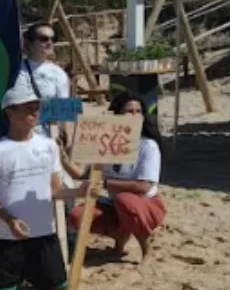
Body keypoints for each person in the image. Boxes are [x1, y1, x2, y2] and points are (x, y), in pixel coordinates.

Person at [0, 84, 88, 290]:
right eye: (28, 108)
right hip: (6, 234)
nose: (34, 113)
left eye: (36, 108)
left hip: (43, 233)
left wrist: (78, 191)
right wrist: (10, 220)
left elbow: (56, 190)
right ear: (10, 112)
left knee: (56, 284)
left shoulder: (48, 146)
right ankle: (0, 271)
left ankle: (25, 271)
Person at [62, 91, 166, 261]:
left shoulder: (148, 146)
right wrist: (64, 159)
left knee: (125, 200)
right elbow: (82, 174)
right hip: (114, 203)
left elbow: (143, 187)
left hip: (144, 204)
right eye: (128, 111)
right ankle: (119, 242)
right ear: (117, 115)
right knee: (76, 216)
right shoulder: (105, 140)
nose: (134, 115)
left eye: (138, 111)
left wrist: (105, 183)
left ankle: (145, 247)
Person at [14, 23, 71, 137]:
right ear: (29, 43)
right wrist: (48, 109)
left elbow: (64, 112)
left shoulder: (59, 74)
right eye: (43, 39)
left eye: (53, 39)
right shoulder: (15, 71)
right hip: (17, 137)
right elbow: (12, 105)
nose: (49, 42)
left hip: (45, 139)